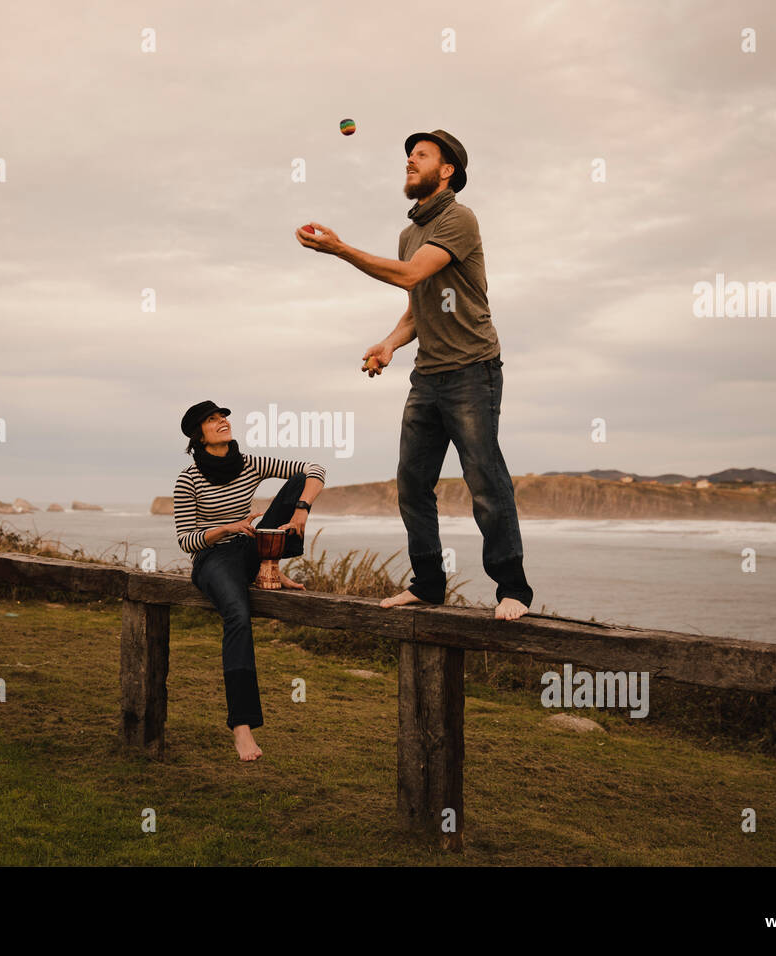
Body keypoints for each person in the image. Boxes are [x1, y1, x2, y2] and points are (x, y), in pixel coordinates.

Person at [294, 128, 533, 621]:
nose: (409, 160)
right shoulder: (409, 233)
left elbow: (410, 275)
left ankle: (513, 589)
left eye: (420, 155)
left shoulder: (459, 219)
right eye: (408, 154)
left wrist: (340, 250)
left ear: (447, 171)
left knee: (484, 479)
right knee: (411, 483)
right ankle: (427, 584)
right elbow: (416, 305)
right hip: (428, 377)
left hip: (472, 370)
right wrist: (388, 344)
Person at [173, 400, 326, 761]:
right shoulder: (188, 479)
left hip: (250, 546)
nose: (222, 421)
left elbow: (314, 468)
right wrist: (226, 528)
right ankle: (241, 727)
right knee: (238, 618)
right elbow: (185, 540)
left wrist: (301, 507)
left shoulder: (250, 463)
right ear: (200, 435)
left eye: (222, 416)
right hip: (213, 560)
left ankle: (270, 564)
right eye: (212, 420)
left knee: (299, 482)